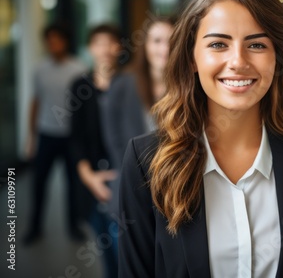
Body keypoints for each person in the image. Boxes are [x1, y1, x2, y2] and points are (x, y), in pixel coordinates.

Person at [118, 0, 283, 278]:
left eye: (256, 44)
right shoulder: (147, 161)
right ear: (191, 58)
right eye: (218, 44)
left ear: (277, 58)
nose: (238, 61)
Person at [101, 16, 175, 220]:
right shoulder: (123, 84)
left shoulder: (187, 86)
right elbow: (112, 136)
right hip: (131, 182)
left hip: (174, 188)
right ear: (145, 45)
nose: (165, 48)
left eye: (171, 40)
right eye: (157, 41)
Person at [24, 23, 87, 245]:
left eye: (57, 39)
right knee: (39, 184)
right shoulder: (40, 69)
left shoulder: (78, 69)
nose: (53, 44)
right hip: (46, 135)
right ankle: (35, 227)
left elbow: (85, 109)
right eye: (49, 40)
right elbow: (36, 102)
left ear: (66, 41)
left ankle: (74, 227)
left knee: (73, 185)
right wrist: (31, 137)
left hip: (71, 137)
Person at [70, 24, 123, 278]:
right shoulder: (79, 86)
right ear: (90, 49)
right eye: (98, 43)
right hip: (91, 178)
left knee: (121, 247)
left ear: (119, 47)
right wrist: (88, 177)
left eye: (110, 42)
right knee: (103, 241)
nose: (104, 49)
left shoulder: (130, 84)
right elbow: (75, 136)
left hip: (123, 177)